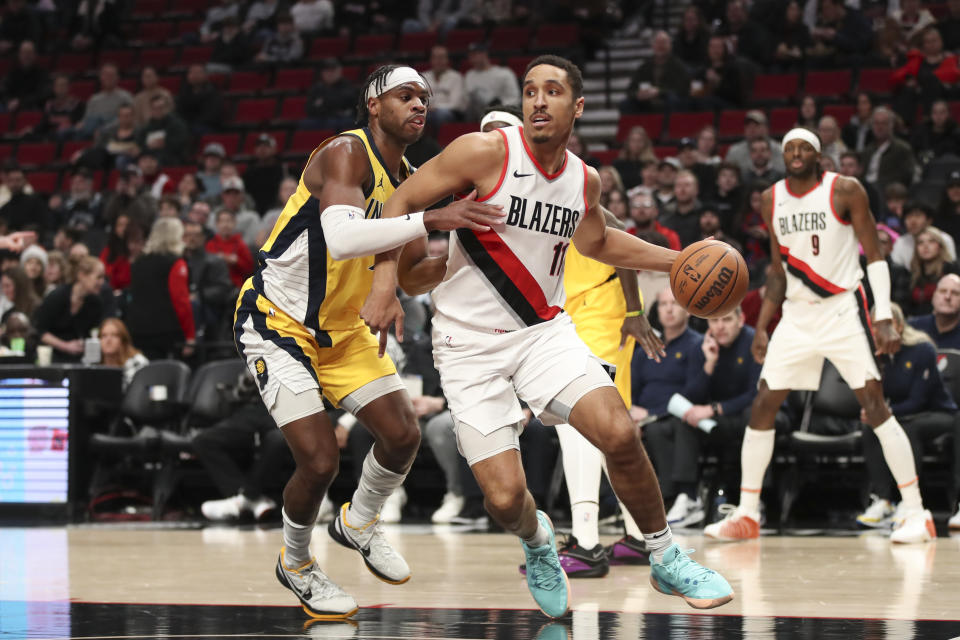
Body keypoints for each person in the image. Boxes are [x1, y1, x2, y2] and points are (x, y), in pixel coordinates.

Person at [366, 55, 733, 617]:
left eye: (553, 91)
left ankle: (664, 556)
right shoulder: (482, 152)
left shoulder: (585, 178)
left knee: (619, 433)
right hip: (467, 348)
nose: (538, 100)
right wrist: (387, 281)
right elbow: (401, 201)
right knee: (506, 498)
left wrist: (679, 259)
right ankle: (539, 541)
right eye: (530, 90)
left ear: (576, 107)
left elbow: (600, 242)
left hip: (543, 334)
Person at [232, 64, 505, 619]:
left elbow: (411, 275)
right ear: (373, 104)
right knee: (319, 459)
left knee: (403, 435)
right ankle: (298, 563)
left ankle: (358, 522)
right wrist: (433, 216)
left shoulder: (405, 177)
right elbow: (343, 236)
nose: (419, 105)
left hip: (344, 329)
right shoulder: (344, 153)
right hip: (278, 321)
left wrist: (465, 250)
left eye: (425, 98)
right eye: (406, 96)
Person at [703, 128, 936, 544]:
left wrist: (883, 313)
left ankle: (917, 511)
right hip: (795, 315)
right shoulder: (771, 198)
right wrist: (764, 325)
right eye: (789, 148)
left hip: (843, 310)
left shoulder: (844, 190)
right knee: (764, 404)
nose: (794, 154)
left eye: (803, 148)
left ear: (818, 155)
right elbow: (777, 270)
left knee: (874, 404)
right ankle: (748, 513)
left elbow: (875, 254)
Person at [478, 107, 664, 578]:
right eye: (486, 137)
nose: (493, 145)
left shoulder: (560, 184)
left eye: (501, 135)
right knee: (603, 432)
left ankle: (585, 542)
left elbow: (617, 236)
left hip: (599, 312)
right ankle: (639, 536)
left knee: (578, 422)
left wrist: (636, 310)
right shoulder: (489, 197)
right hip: (563, 318)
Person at [856, 303, 960, 529]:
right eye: (873, 326)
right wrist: (872, 411)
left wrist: (883, 413)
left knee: (905, 427)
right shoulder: (872, 354)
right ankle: (883, 500)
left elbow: (918, 400)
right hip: (902, 414)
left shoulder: (922, 349)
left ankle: (909, 500)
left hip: (938, 414)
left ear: (900, 327)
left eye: (884, 325)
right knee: (872, 428)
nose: (877, 331)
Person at [125, 218, 196, 360]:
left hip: (137, 329)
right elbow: (180, 301)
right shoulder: (176, 262)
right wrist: (190, 336)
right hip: (166, 334)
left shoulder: (137, 262)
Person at [33, 255, 105, 363]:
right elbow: (41, 331)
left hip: (79, 357)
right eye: (98, 277)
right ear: (82, 275)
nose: (102, 282)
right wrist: (65, 346)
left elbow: (92, 333)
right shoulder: (57, 296)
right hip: (50, 355)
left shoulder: (95, 302)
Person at [909, 273, 960, 349]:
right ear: (933, 297)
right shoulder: (912, 328)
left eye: (955, 293)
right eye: (943, 291)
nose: (947, 297)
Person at [98, 317, 149, 389]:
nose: (108, 340)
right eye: (104, 335)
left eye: (114, 335)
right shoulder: (93, 363)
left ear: (123, 340)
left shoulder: (138, 362)